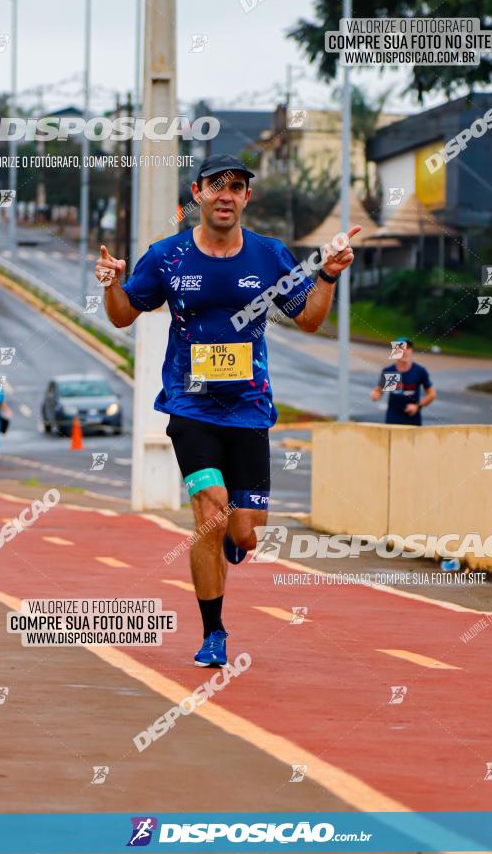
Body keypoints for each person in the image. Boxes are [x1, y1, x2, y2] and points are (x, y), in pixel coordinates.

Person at [96, 153, 360, 668]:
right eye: (216, 186)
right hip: (189, 405)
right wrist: (110, 284)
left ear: (246, 197)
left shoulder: (268, 256)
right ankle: (214, 632)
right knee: (210, 514)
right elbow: (125, 316)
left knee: (244, 531)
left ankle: (236, 540)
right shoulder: (167, 256)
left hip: (249, 409)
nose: (225, 194)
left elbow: (307, 319)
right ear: (196, 194)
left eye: (236, 187)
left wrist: (327, 275)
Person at [370, 338, 436, 425]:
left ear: (411, 351)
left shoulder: (419, 371)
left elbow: (431, 394)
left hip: (412, 420)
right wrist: (375, 395)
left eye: (408, 348)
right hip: (393, 419)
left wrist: (417, 406)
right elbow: (379, 392)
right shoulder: (390, 371)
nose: (404, 351)